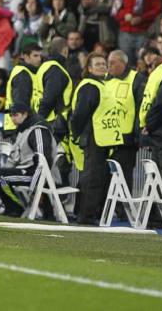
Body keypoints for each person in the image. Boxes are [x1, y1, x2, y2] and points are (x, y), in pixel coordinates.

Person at [70, 53, 123, 225]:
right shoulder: (90, 86)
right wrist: (77, 133)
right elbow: (79, 114)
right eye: (97, 64)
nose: (102, 66)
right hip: (93, 138)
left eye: (103, 63)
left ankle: (86, 212)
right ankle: (85, 216)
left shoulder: (101, 85)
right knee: (92, 178)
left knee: (96, 177)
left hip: (103, 139)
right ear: (90, 68)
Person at [0, 102, 57, 216]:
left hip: (36, 174)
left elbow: (43, 159)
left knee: (1, 177)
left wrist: (35, 186)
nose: (12, 118)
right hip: (25, 169)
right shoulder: (23, 129)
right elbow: (15, 156)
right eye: (10, 115)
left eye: (15, 115)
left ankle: (15, 208)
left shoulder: (38, 130)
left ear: (25, 114)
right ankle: (8, 202)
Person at [33, 37, 74, 185]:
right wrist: (40, 118)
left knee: (48, 164)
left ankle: (50, 201)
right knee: (59, 165)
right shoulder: (56, 70)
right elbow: (50, 98)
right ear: (65, 50)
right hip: (55, 124)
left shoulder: (44, 67)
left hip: (46, 122)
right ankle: (58, 201)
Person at [106, 50, 142, 189]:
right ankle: (108, 209)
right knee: (105, 177)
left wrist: (136, 134)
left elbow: (140, 109)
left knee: (123, 177)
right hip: (106, 137)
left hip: (125, 139)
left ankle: (123, 210)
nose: (109, 66)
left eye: (112, 62)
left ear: (123, 63)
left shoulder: (136, 79)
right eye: (108, 62)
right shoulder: (106, 78)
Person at [139, 59, 162, 197]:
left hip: (160, 132)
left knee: (158, 173)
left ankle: (156, 213)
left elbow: (160, 104)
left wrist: (149, 125)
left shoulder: (160, 75)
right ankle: (160, 214)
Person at [4, 43, 42, 132]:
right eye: (35, 56)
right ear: (26, 56)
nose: (39, 59)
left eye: (40, 56)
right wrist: (23, 126)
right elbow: (20, 103)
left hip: (18, 125)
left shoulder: (28, 72)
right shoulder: (23, 75)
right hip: (18, 127)